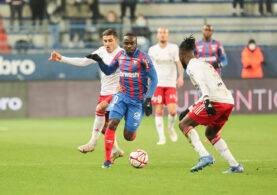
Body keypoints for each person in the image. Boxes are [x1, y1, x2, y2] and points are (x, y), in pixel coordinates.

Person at [48, 29, 124, 163]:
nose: (107, 43)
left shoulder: (122, 54)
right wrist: (62, 58)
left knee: (100, 109)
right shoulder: (100, 51)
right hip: (104, 92)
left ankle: (91, 143)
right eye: (105, 41)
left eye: (110, 40)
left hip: (117, 94)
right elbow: (83, 61)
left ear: (117, 41)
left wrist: (124, 84)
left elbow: (129, 71)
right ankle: (116, 150)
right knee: (105, 127)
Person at [87, 32, 158, 168]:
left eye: (132, 43)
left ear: (136, 44)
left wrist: (149, 99)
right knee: (112, 123)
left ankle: (131, 125)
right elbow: (108, 71)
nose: (129, 46)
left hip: (137, 101)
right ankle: (107, 160)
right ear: (123, 44)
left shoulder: (144, 58)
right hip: (121, 96)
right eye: (127, 43)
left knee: (128, 136)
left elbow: (154, 79)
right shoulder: (120, 55)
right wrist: (100, 61)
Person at [178, 35, 244, 173]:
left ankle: (204, 156)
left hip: (215, 101)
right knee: (211, 133)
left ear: (182, 55)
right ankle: (235, 166)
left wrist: (207, 102)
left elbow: (203, 84)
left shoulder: (191, 66)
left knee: (184, 124)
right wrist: (190, 108)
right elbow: (210, 85)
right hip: (228, 101)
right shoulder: (202, 63)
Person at [148, 27, 184, 145]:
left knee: (172, 111)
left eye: (164, 33)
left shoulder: (173, 48)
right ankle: (162, 137)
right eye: (160, 33)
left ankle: (170, 127)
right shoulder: (152, 50)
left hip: (170, 84)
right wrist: (148, 78)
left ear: (168, 36)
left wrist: (180, 77)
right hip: (157, 84)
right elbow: (149, 66)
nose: (162, 35)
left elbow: (179, 63)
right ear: (157, 35)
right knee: (158, 110)